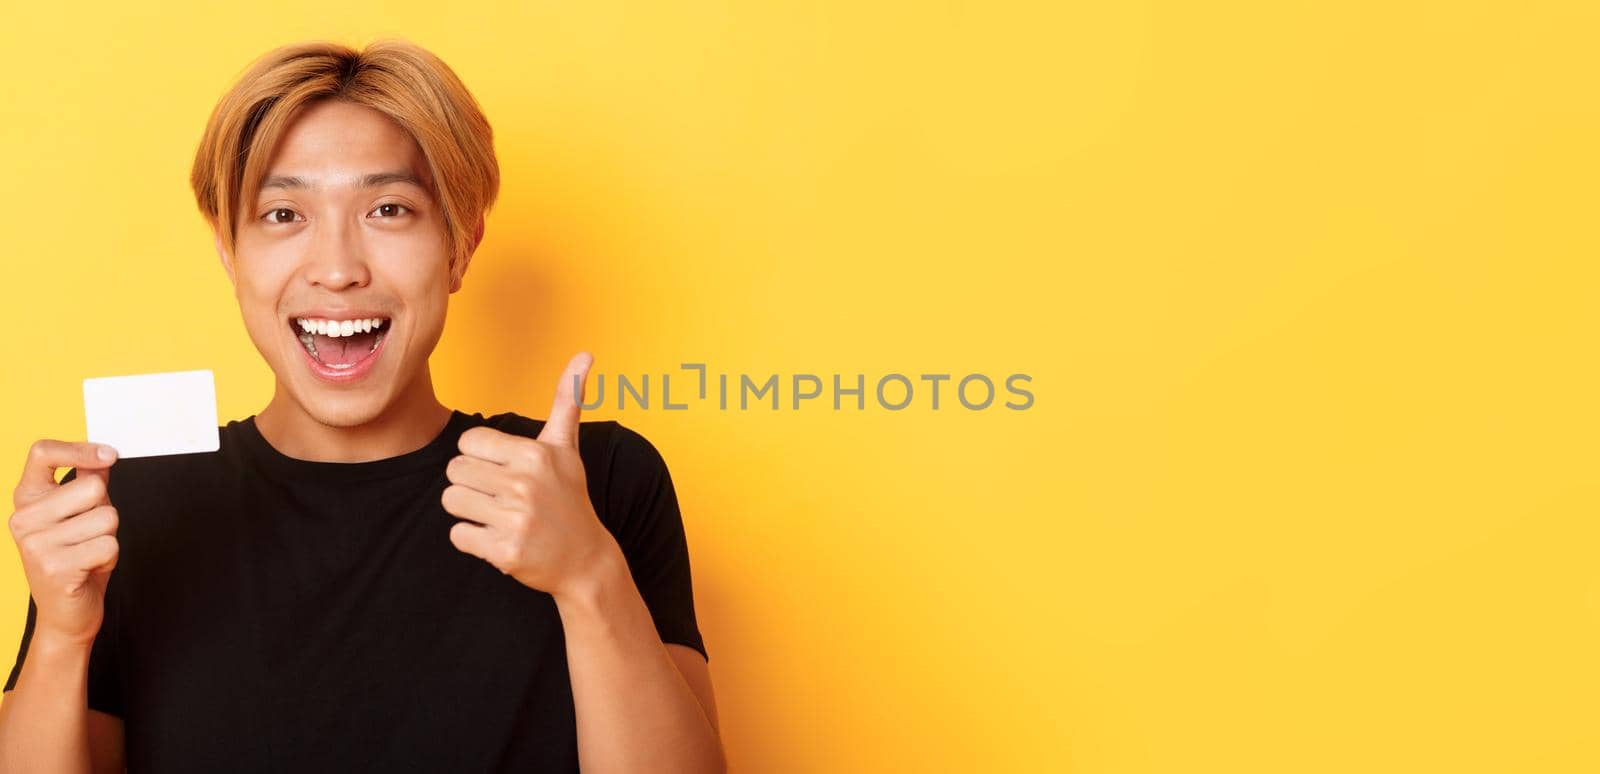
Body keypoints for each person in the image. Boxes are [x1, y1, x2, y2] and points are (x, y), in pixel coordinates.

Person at [0, 39, 724, 773]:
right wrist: (62, 637)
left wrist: (588, 575)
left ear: (460, 247)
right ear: (229, 253)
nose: (338, 270)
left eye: (388, 208)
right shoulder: (126, 507)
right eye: (284, 214)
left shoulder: (593, 480)